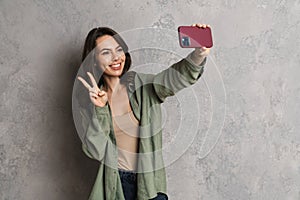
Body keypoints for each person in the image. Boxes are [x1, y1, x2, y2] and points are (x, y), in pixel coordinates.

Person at [76, 23, 211, 200]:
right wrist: (100, 109)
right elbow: (95, 151)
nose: (116, 58)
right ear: (93, 59)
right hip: (117, 185)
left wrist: (198, 55)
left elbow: (172, 79)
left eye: (118, 50)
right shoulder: (89, 103)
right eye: (106, 52)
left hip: (148, 185)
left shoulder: (143, 86)